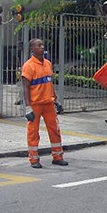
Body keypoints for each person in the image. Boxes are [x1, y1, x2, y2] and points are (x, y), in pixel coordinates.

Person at [21, 38, 68, 169]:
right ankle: (34, 159)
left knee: (55, 130)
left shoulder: (47, 63)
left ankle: (58, 157)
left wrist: (56, 100)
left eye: (42, 44)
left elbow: (50, 83)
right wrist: (28, 107)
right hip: (35, 104)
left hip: (48, 103)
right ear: (32, 49)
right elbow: (25, 87)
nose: (42, 47)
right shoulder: (28, 66)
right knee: (33, 132)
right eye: (39, 45)